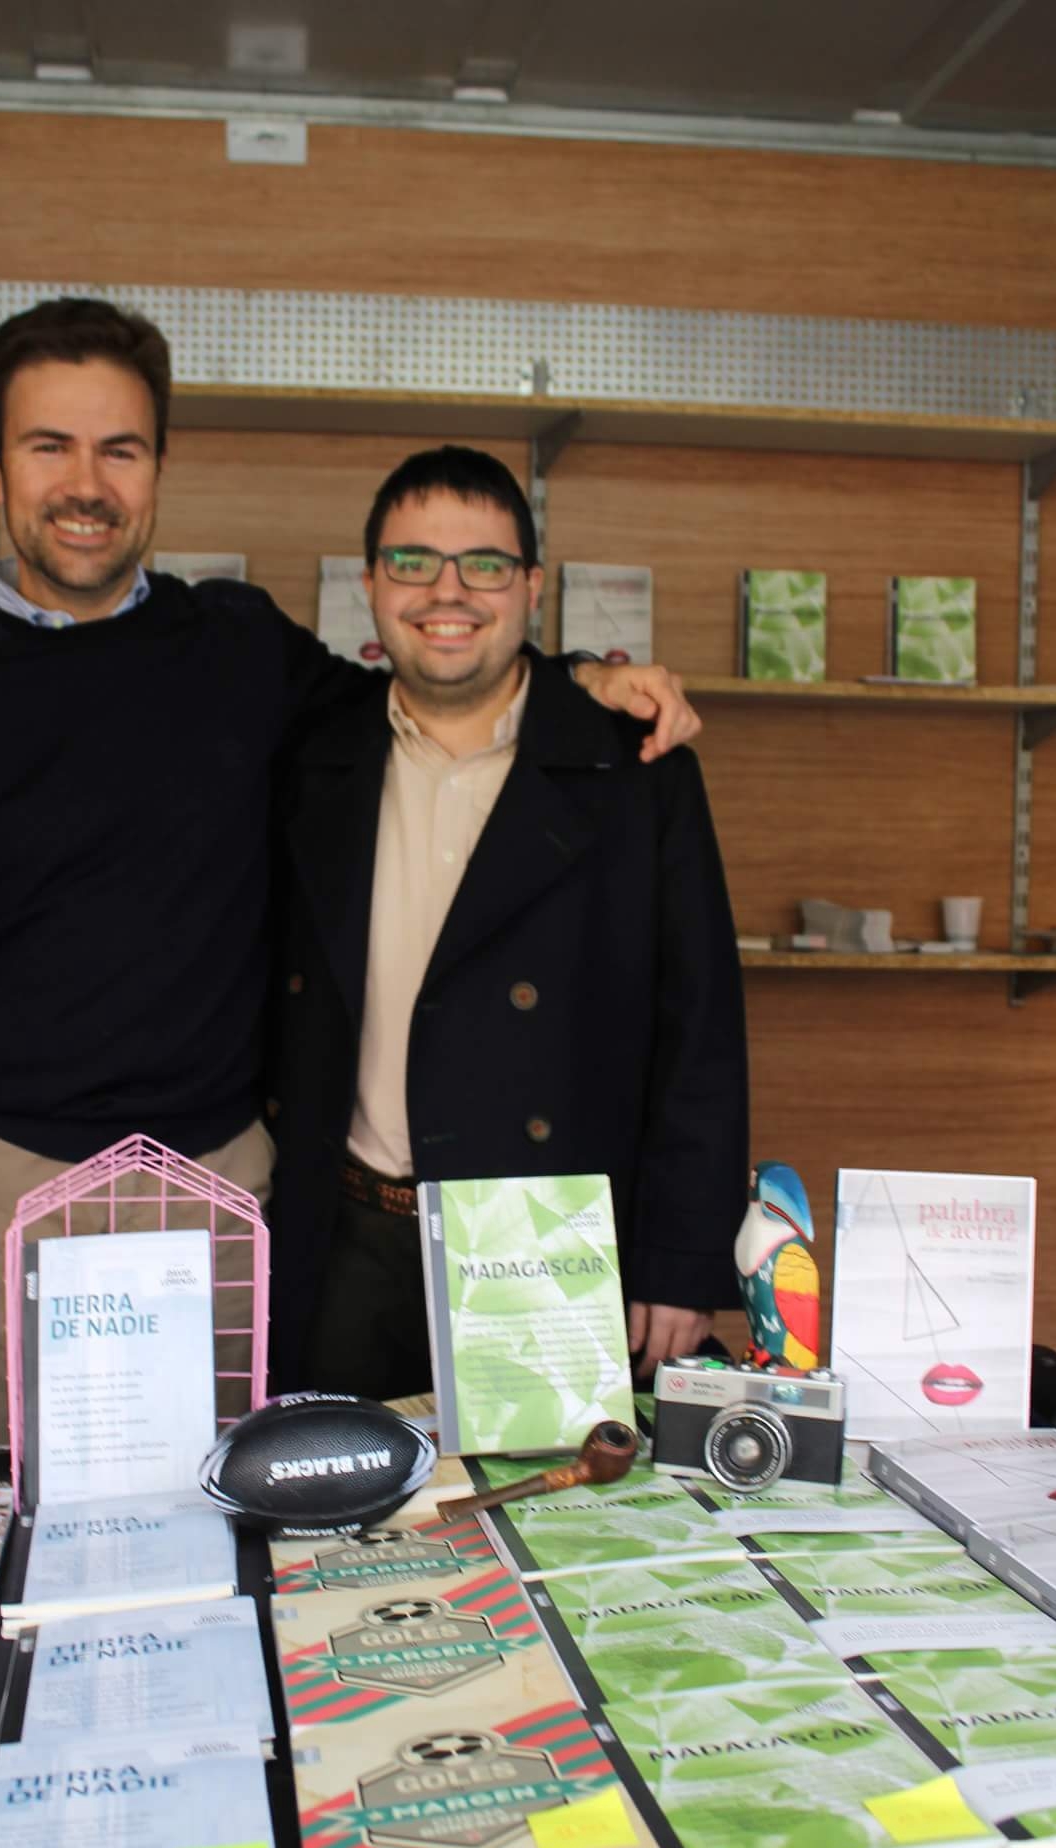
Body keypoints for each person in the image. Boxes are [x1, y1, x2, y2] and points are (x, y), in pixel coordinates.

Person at [0, 295, 702, 1445]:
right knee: (12, 1511)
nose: (86, 484)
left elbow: (435, 679)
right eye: (49, 446)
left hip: (218, 1182)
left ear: (159, 467)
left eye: (119, 449)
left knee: (232, 1502)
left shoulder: (240, 646)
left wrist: (580, 676)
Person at [268, 445, 749, 1400]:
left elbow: (699, 1030)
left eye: (483, 564)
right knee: (340, 1491)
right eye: (412, 561)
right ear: (370, 585)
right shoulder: (310, 752)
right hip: (344, 1235)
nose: (446, 591)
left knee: (542, 1489)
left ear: (530, 587)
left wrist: (680, 1260)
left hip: (540, 1235)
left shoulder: (633, 766)